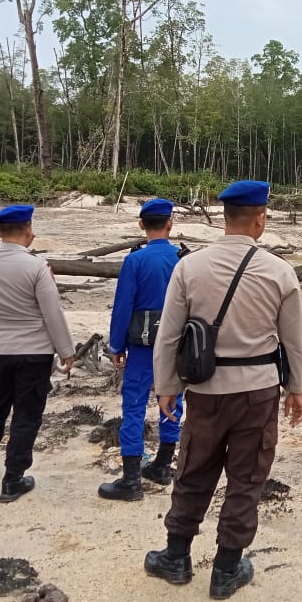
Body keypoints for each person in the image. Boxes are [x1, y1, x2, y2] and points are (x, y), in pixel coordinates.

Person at [144, 180, 302, 600]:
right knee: (247, 477)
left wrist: (166, 385)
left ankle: (176, 556)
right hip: (257, 393)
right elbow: (295, 340)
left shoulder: (190, 267)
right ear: (259, 218)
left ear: (223, 218)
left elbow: (168, 334)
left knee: (193, 470)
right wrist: (297, 388)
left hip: (204, 391)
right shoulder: (279, 271)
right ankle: (227, 569)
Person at [0, 204, 76, 503]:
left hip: (0, 347)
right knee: (26, 416)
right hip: (35, 351)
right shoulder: (36, 267)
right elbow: (52, 313)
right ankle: (13, 478)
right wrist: (66, 350)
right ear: (28, 228)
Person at [99, 198, 184, 501]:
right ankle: (162, 466)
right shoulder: (182, 258)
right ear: (170, 224)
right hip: (174, 345)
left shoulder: (134, 260)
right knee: (172, 400)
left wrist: (116, 345)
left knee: (134, 405)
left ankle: (131, 480)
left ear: (141, 226)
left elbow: (123, 306)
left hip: (142, 345)